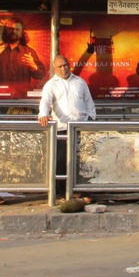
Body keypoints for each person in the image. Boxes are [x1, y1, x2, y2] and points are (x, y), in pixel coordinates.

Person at [38, 55, 96, 197]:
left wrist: (90, 118)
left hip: (81, 127)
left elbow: (89, 102)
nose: (63, 68)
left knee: (82, 159)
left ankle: (80, 189)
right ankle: (62, 191)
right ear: (54, 69)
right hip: (62, 128)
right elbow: (45, 102)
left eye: (65, 65)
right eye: (60, 66)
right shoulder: (51, 85)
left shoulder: (80, 82)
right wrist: (43, 114)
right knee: (62, 160)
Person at [0, 17, 47, 97]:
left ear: (22, 33)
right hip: (0, 98)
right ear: (5, 31)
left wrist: (34, 66)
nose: (14, 31)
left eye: (17, 29)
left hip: (22, 99)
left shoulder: (29, 51)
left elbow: (41, 75)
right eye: (10, 29)